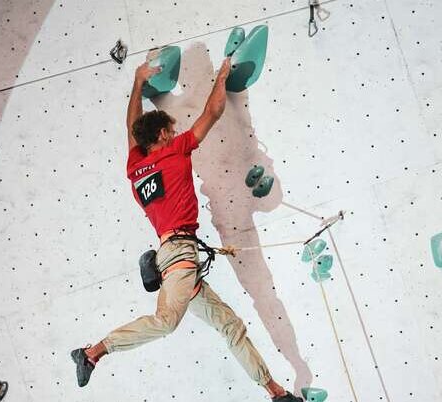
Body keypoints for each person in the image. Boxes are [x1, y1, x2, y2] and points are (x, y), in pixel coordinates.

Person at [71, 56, 304, 402]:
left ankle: (276, 394)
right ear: (163, 135)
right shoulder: (173, 151)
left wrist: (138, 82)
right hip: (179, 253)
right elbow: (211, 114)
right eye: (173, 130)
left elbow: (131, 125)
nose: (178, 133)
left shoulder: (135, 165)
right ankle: (92, 353)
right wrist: (221, 78)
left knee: (230, 325)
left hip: (181, 256)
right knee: (166, 321)